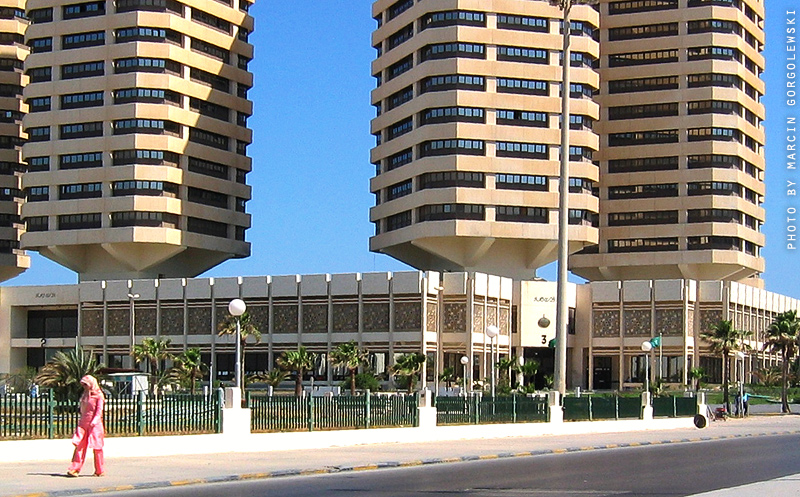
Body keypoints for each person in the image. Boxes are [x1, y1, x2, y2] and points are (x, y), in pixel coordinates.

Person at [67, 375, 105, 477]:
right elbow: (82, 409)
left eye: (86, 385)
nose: (84, 387)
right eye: (83, 385)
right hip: (84, 422)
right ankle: (74, 469)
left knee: (97, 447)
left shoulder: (99, 396)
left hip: (95, 424)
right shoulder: (85, 395)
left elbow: (99, 410)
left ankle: (99, 470)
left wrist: (95, 420)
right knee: (80, 446)